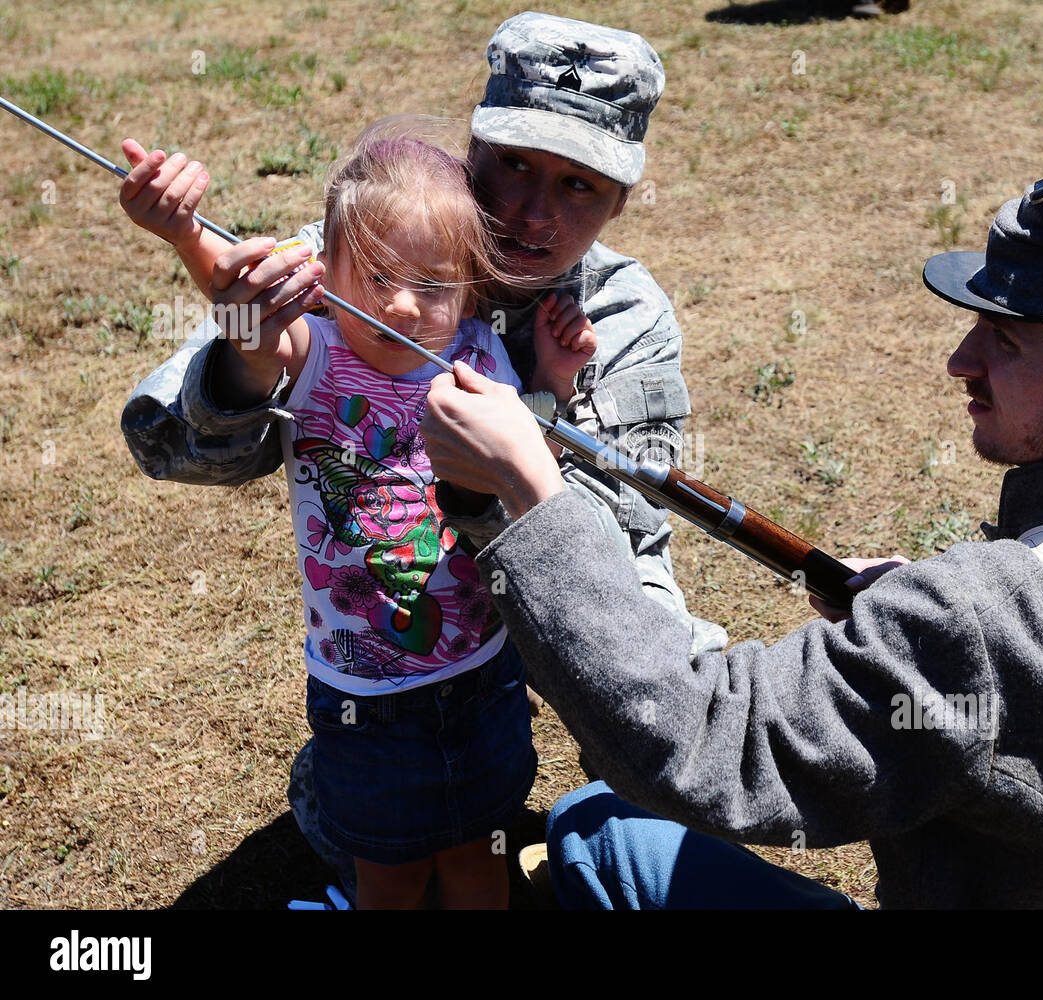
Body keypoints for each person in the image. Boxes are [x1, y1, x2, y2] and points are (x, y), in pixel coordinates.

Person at [417, 161, 1043, 908]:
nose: (960, 362)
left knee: (595, 829)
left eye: (1004, 339)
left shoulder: (980, 615)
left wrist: (530, 493)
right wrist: (915, 626)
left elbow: (695, 745)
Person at [118, 12, 726, 900]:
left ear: (621, 201)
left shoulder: (624, 319)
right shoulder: (365, 252)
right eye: (514, 164)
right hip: (378, 643)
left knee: (667, 730)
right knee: (371, 845)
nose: (532, 211)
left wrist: (528, 430)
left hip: (542, 602)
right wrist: (214, 283)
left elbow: (613, 543)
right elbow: (174, 443)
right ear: (470, 146)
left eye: (580, 185)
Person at [122, 117, 594, 909]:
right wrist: (185, 236)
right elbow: (244, 318)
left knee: (483, 857)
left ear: (470, 287)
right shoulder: (311, 351)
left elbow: (529, 450)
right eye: (376, 278)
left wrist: (553, 379)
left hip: (484, 675)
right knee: (390, 875)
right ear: (325, 273)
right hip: (364, 697)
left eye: (434, 284)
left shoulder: (478, 350)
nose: (405, 307)